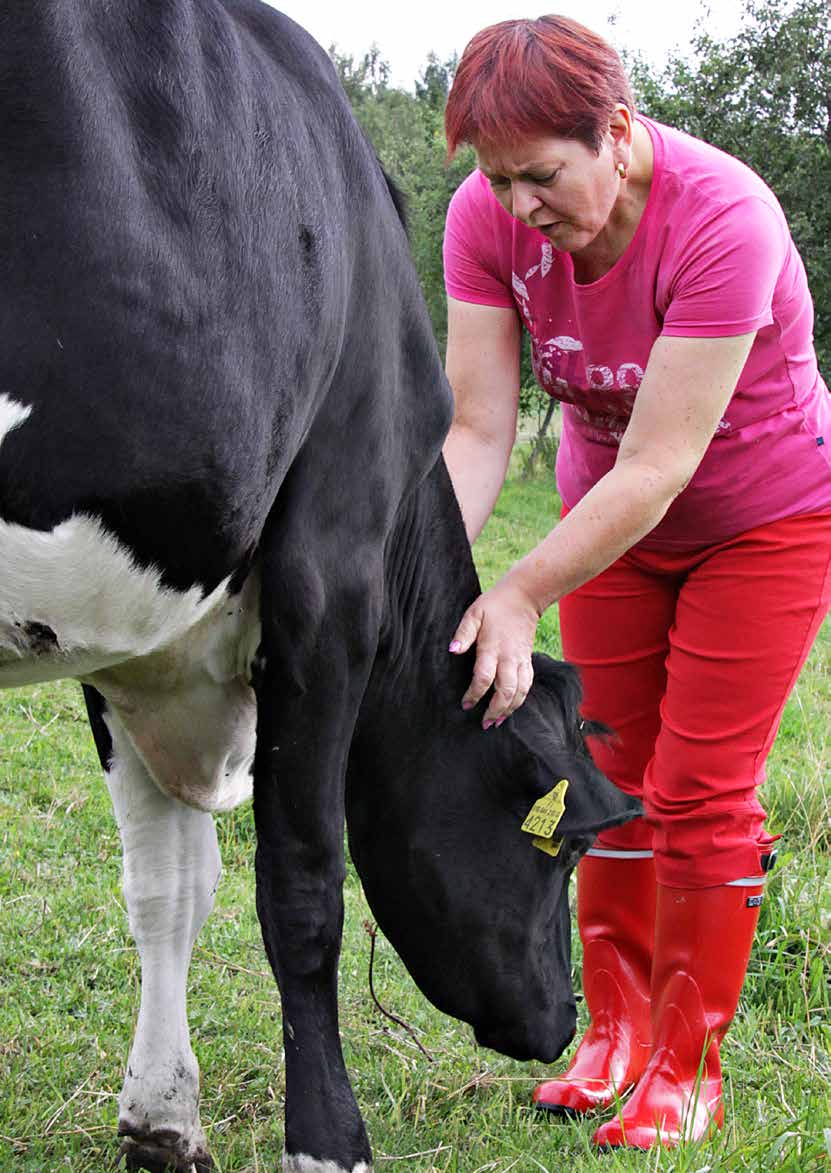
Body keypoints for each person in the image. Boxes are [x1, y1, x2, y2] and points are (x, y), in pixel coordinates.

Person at [440, 14, 831, 1150]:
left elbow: (661, 465)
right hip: (611, 526)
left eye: (542, 177)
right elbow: (476, 431)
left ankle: (687, 1064)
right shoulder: (486, 221)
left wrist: (517, 595)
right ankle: (613, 1034)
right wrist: (421, 570)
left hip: (762, 522)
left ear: (616, 131)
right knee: (603, 767)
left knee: (702, 788)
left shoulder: (724, 218)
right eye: (498, 179)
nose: (520, 209)